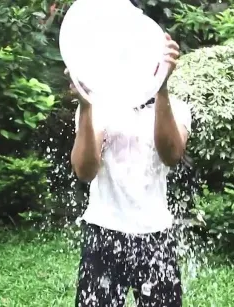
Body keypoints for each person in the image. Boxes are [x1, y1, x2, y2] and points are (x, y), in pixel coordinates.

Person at [68, 10, 192, 307]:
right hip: (103, 233)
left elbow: (171, 155)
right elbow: (84, 171)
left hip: (156, 236)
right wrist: (86, 106)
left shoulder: (177, 108)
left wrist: (161, 88)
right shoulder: (99, 106)